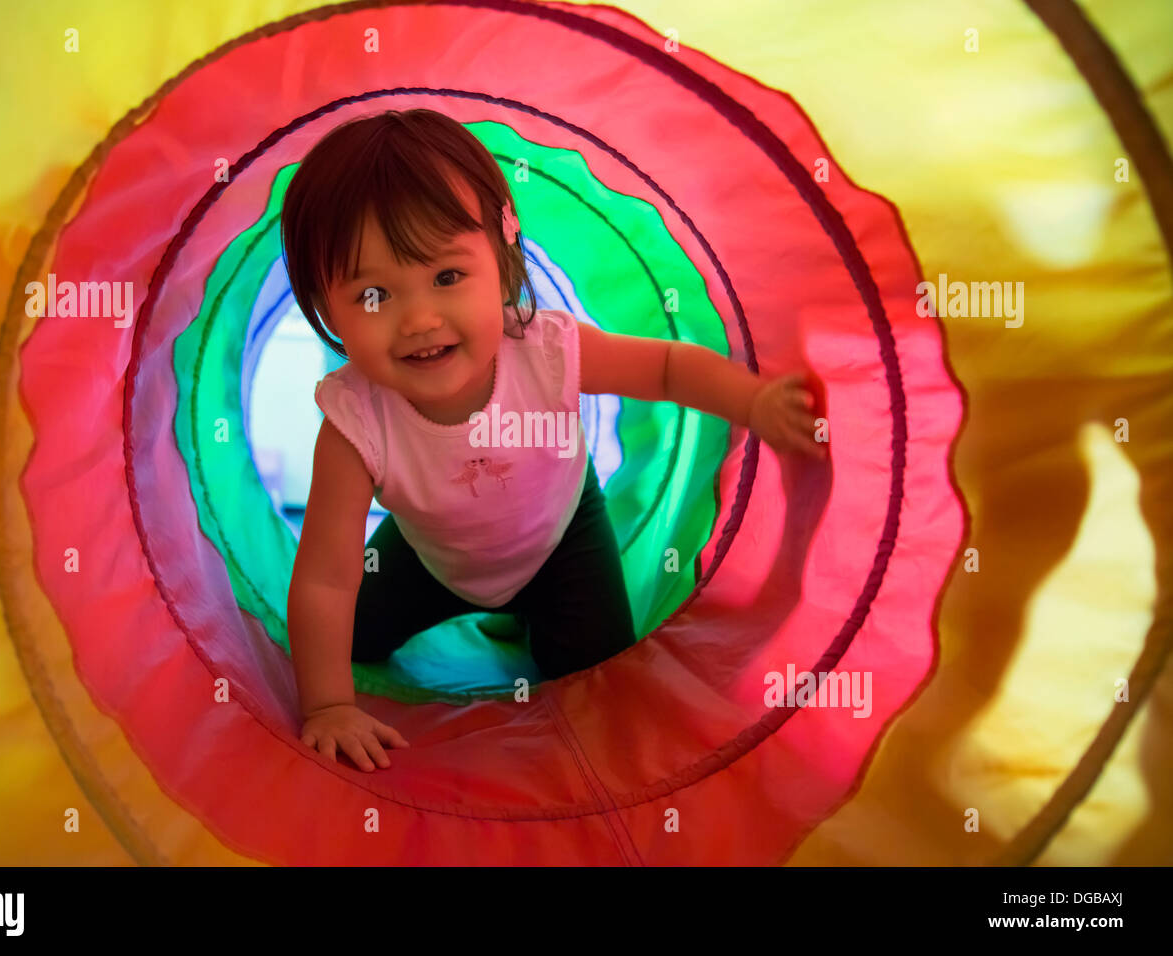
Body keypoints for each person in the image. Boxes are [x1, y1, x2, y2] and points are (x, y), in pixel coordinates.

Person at [279, 108, 825, 772]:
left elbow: (664, 367)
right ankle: (500, 615)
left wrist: (756, 401)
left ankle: (529, 616)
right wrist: (329, 705)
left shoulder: (542, 351)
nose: (419, 319)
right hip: (432, 555)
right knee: (352, 635)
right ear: (323, 307)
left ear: (503, 261)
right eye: (373, 296)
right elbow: (325, 582)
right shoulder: (353, 423)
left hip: (564, 540)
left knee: (600, 681)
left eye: (448, 277)